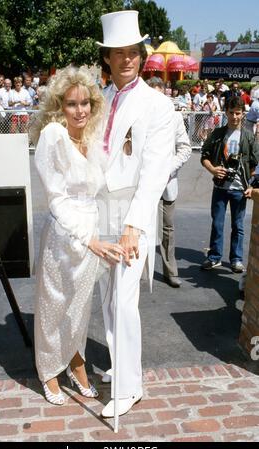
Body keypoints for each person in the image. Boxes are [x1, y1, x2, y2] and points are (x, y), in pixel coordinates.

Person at [31, 66, 125, 406]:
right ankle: (48, 369)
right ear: (60, 106)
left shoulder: (92, 135)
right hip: (64, 235)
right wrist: (89, 240)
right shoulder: (53, 135)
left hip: (92, 231)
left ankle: (74, 359)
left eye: (85, 102)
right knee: (53, 306)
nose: (80, 110)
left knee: (80, 307)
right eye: (71, 104)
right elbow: (55, 199)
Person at [96, 10, 174, 417]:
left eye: (133, 52)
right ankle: (118, 363)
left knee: (125, 299)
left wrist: (133, 226)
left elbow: (155, 171)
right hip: (101, 210)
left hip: (132, 214)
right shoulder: (101, 98)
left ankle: (130, 387)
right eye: (118, 52)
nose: (127, 59)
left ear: (141, 56)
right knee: (108, 297)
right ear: (107, 58)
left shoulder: (156, 104)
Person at [201, 96, 259, 272]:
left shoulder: (248, 137)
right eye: (231, 113)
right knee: (217, 223)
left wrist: (250, 185)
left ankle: (236, 259)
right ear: (226, 112)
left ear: (243, 114)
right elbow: (205, 156)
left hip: (239, 189)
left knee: (238, 225)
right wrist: (213, 170)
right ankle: (214, 257)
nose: (234, 116)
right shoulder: (218, 134)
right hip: (220, 187)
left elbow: (254, 164)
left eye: (238, 113)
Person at [146, 79, 192, 288]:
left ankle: (170, 271)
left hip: (166, 184)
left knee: (167, 229)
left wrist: (166, 170)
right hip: (143, 184)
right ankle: (139, 271)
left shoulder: (174, 118)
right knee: (140, 228)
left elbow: (185, 148)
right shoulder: (140, 116)